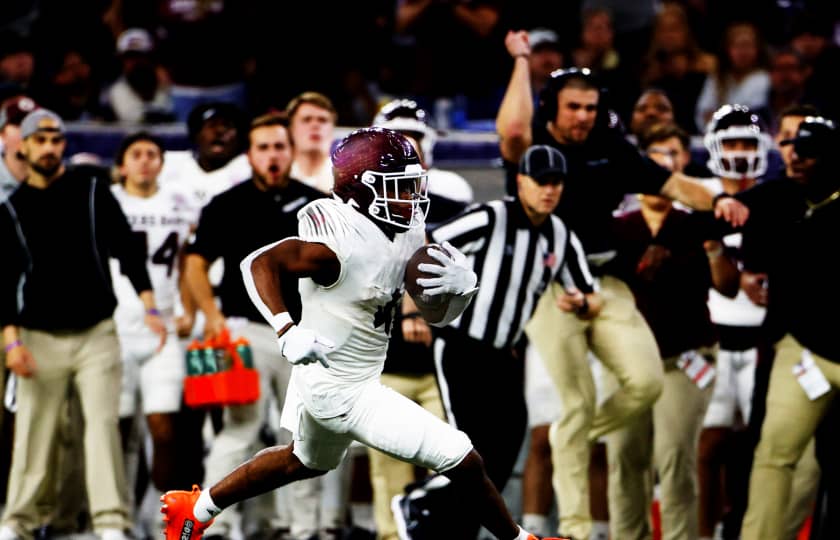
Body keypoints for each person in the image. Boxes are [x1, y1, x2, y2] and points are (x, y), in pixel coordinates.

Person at [160, 128, 568, 540]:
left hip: (342, 376)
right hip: (341, 388)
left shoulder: (406, 228)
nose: (411, 198)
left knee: (301, 461)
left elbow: (436, 316)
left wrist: (458, 293)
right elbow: (259, 263)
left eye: (413, 186)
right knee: (461, 457)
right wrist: (286, 328)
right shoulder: (340, 240)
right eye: (400, 188)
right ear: (361, 189)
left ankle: (195, 508)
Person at [494, 31, 749, 540]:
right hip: (548, 284)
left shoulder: (611, 146)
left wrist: (718, 202)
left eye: (591, 107)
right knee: (576, 398)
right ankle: (575, 530)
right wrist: (522, 61)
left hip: (605, 279)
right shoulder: (535, 145)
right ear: (553, 107)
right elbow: (514, 129)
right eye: (573, 107)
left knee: (645, 382)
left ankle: (576, 434)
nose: (583, 116)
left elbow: (675, 186)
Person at [416, 144, 600, 539]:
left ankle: (445, 519)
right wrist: (420, 308)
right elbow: (426, 244)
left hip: (506, 355)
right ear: (521, 182)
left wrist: (581, 303)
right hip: (461, 347)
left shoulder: (559, 234)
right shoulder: (490, 218)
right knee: (467, 447)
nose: (549, 190)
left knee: (504, 448)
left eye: (556, 183)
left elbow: (588, 290)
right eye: (541, 182)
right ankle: (426, 505)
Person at [0, 108, 165, 540]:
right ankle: (18, 521)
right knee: (35, 437)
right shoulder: (11, 209)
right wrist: (10, 341)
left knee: (101, 429)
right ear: (24, 147)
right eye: (41, 140)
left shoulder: (90, 191)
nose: (50, 147)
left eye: (57, 140)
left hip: (96, 332)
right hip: (38, 337)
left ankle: (110, 521)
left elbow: (127, 249)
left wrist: (150, 306)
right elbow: (2, 281)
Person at [182, 112, 324, 540]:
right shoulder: (227, 203)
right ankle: (216, 526)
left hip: (305, 335)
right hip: (247, 331)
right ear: (249, 154)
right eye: (263, 148)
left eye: (279, 146)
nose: (272, 155)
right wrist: (212, 316)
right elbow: (195, 263)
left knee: (306, 434)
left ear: (292, 151)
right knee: (238, 430)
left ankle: (303, 529)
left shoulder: (317, 205)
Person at [607, 122, 738, 540]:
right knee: (625, 459)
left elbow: (728, 286)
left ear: (684, 163)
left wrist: (714, 246)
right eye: (656, 156)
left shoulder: (699, 220)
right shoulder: (617, 225)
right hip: (627, 361)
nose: (665, 163)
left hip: (683, 358)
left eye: (673, 155)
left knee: (675, 459)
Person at [734, 116, 840, 540]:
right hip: (803, 351)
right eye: (794, 149)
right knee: (773, 455)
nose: (795, 159)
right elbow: (729, 213)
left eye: (808, 153)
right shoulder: (778, 197)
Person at [109, 132, 195, 514]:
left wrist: (187, 306)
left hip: (163, 326)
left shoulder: (181, 200)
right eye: (136, 154)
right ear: (122, 164)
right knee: (120, 427)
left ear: (162, 162)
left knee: (163, 427)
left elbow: (189, 262)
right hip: (116, 326)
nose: (145, 161)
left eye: (152, 154)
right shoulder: (108, 200)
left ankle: (155, 512)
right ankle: (120, 510)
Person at [104, 28, 175, 124]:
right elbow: (134, 118)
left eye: (139, 56)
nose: (135, 62)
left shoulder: (163, 85)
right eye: (129, 57)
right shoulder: (117, 90)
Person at [286, 91, 338, 194]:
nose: (315, 125)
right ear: (291, 129)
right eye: (306, 119)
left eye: (323, 120)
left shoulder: (348, 180)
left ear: (332, 129)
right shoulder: (276, 175)